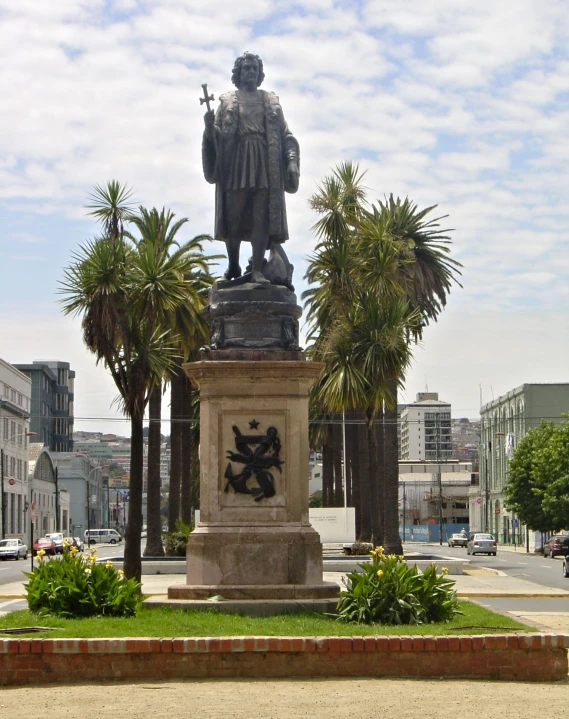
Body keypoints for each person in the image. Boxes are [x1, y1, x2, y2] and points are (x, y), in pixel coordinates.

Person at [202, 52, 300, 284]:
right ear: (238, 73)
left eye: (254, 69)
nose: (250, 72)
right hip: (237, 161)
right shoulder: (227, 101)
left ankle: (256, 269)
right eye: (246, 68)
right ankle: (233, 265)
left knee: (261, 217)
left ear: (260, 74)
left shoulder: (271, 102)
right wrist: (208, 128)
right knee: (233, 216)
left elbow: (286, 136)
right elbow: (215, 137)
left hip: (265, 164)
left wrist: (292, 161)